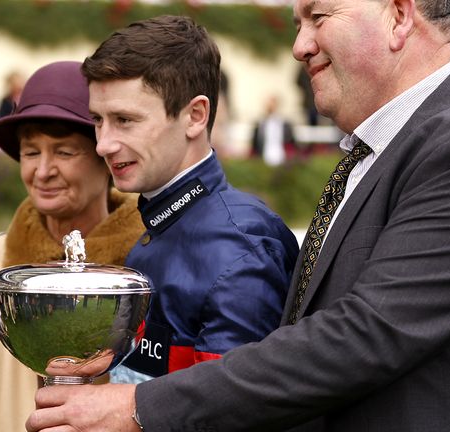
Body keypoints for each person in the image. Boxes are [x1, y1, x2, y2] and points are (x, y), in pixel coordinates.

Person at [26, 1, 450, 431]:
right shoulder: (386, 149)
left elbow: (360, 338)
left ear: (400, 16)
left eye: (317, 16)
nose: (298, 45)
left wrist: (138, 407)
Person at [0, 61, 145, 432]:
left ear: (107, 157)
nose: (42, 171)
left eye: (64, 152)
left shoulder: (147, 262)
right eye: (30, 152)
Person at [80, 15, 299, 385]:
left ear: (195, 116)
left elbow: (232, 411)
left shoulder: (239, 247)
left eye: (124, 120)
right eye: (98, 120)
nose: (103, 144)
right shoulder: (160, 225)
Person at [251, 94, 297, 166]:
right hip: (264, 160)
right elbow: (255, 144)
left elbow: (292, 143)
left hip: (282, 159)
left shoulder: (284, 124)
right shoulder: (260, 124)